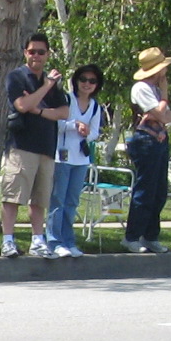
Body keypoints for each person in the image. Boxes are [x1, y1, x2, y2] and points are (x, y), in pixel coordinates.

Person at [1, 32, 69, 258]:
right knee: (13, 196)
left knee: (40, 199)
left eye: (41, 52)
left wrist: (39, 109)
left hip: (46, 148)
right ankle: (8, 241)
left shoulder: (51, 83)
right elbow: (21, 105)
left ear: (47, 54)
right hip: (21, 146)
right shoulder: (17, 77)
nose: (36, 56)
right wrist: (46, 87)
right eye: (32, 52)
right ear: (25, 53)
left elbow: (64, 112)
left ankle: (38, 241)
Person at [45, 63, 105, 258]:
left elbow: (95, 132)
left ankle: (69, 241)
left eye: (92, 81)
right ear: (76, 81)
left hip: (81, 159)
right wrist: (74, 125)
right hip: (62, 157)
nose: (87, 84)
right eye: (83, 80)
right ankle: (54, 241)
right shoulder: (67, 100)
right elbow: (57, 123)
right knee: (58, 200)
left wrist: (87, 133)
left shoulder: (96, 107)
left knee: (72, 202)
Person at [123, 47, 171, 254]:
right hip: (146, 141)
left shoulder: (154, 90)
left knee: (159, 191)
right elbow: (162, 114)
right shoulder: (141, 89)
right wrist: (164, 97)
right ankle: (132, 236)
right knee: (144, 190)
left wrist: (160, 111)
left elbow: (169, 117)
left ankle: (151, 235)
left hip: (159, 140)